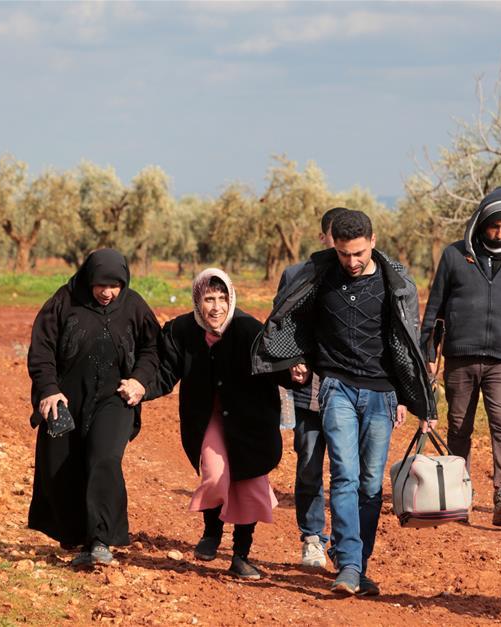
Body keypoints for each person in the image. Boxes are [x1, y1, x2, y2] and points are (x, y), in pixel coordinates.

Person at [252, 209, 436, 597]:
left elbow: (407, 346)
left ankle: (358, 563)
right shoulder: (318, 276)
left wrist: (412, 400)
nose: (351, 262)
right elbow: (291, 319)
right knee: (345, 475)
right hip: (335, 386)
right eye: (343, 254)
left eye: (357, 254)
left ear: (373, 241)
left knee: (370, 483)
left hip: (381, 393)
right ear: (333, 245)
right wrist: (294, 359)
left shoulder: (396, 282)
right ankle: (349, 564)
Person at [420, 187, 501, 527]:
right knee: (459, 427)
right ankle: (459, 494)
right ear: (481, 224)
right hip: (460, 356)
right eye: (494, 226)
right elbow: (435, 308)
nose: (500, 233)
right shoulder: (454, 256)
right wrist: (428, 351)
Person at [27, 249, 160, 566]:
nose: (108, 292)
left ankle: (101, 540)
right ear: (89, 279)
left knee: (104, 458)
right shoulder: (64, 301)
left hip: (115, 398)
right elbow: (41, 349)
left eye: (115, 285)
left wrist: (140, 381)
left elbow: (153, 348)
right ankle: (77, 537)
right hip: (67, 398)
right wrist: (49, 390)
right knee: (65, 464)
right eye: (101, 285)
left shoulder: (134, 306)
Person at [147, 268, 283, 580]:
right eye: (209, 299)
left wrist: (295, 375)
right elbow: (166, 372)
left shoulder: (249, 328)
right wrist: (140, 388)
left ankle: (240, 556)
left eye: (222, 298)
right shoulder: (182, 330)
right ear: (197, 300)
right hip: (207, 417)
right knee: (215, 473)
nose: (216, 307)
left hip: (249, 420)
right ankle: (211, 531)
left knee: (249, 484)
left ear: (231, 298)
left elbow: (274, 365)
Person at [274, 206, 347, 568]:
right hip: (310, 391)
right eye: (338, 236)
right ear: (323, 237)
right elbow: (279, 326)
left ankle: (348, 545)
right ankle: (312, 538)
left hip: (353, 390)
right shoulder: (295, 275)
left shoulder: (366, 278)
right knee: (309, 465)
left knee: (350, 471)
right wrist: (292, 361)